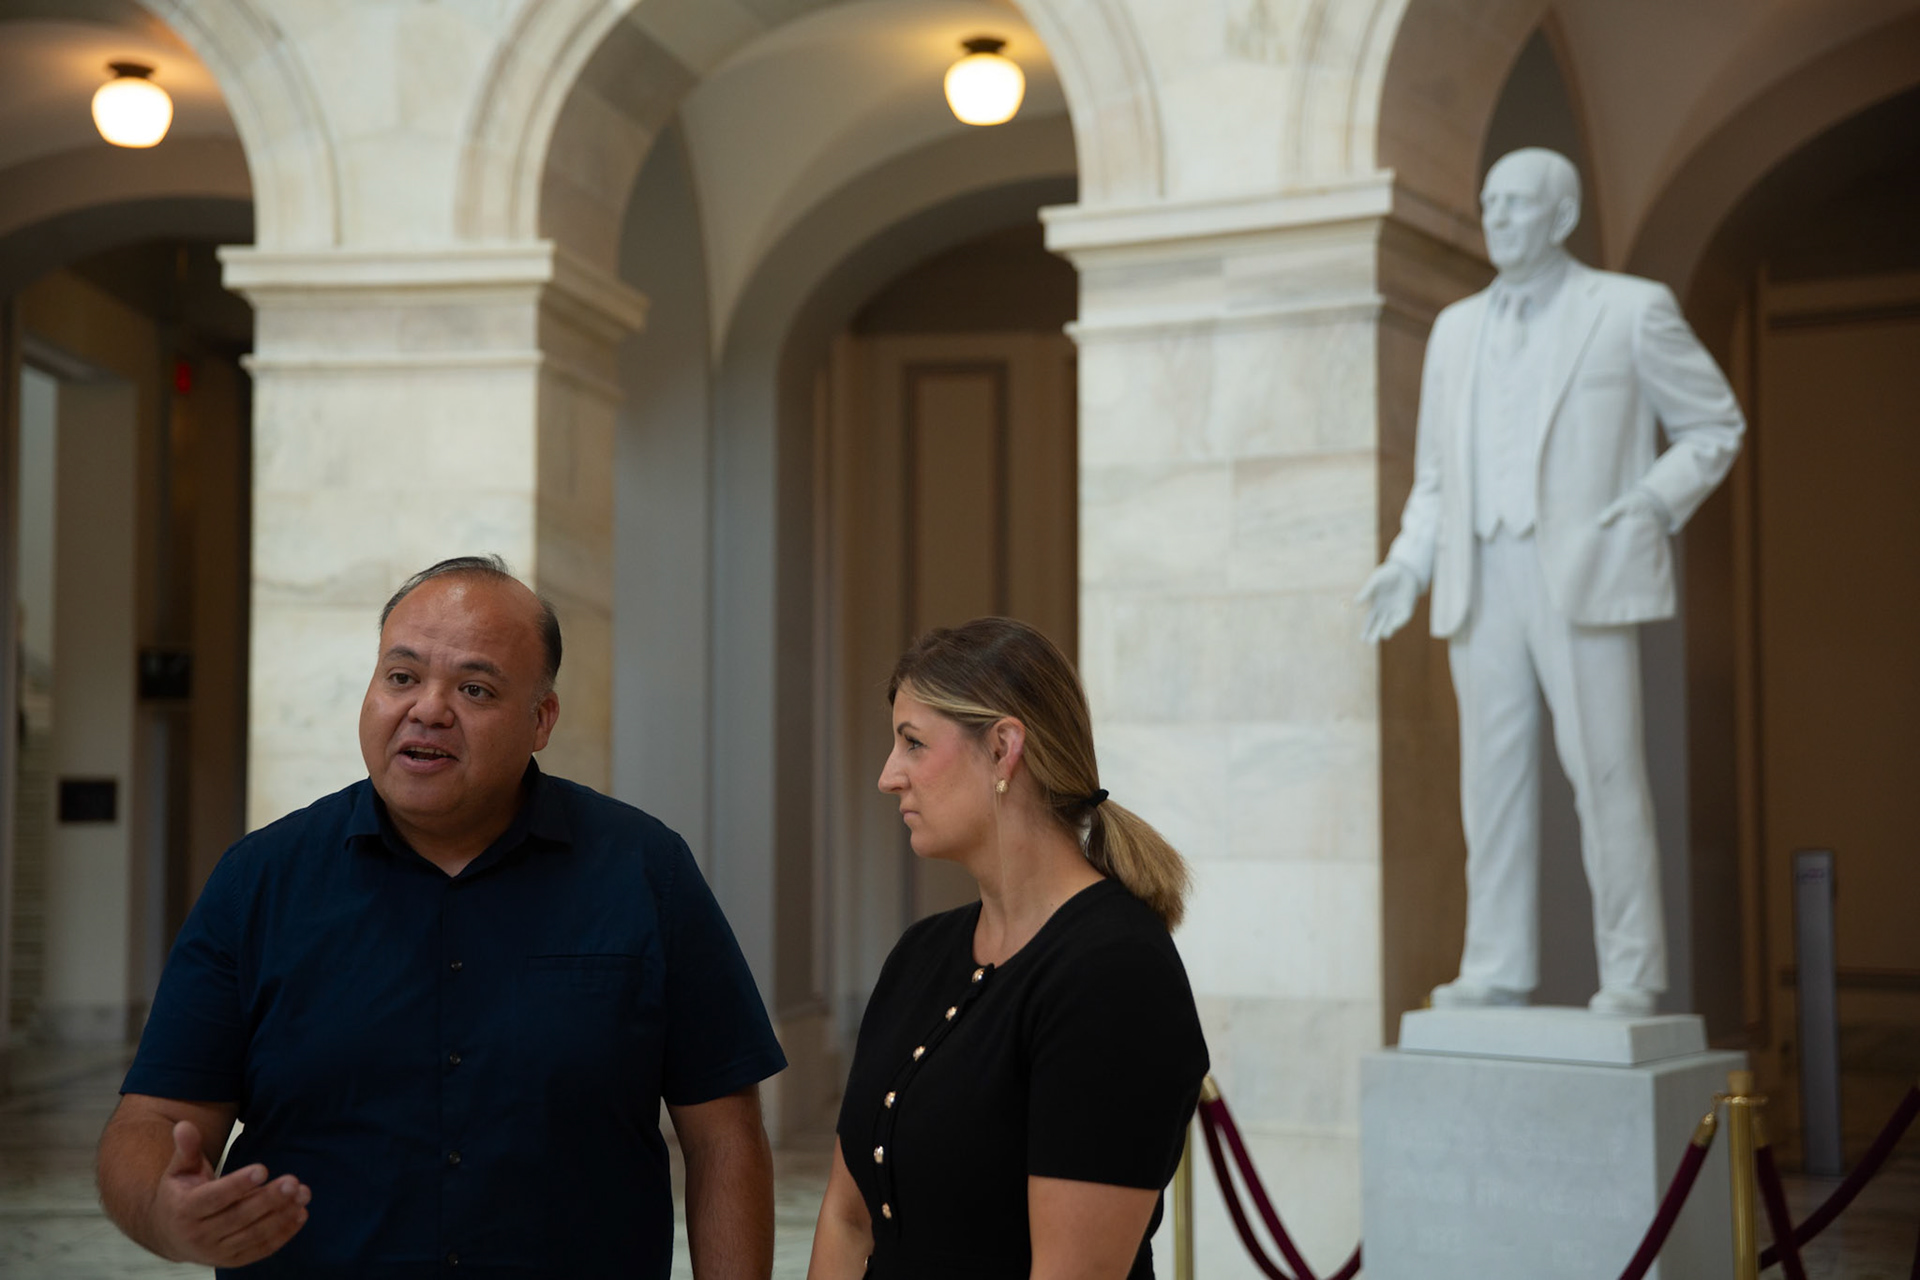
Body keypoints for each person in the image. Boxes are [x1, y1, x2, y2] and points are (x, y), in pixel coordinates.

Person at [97, 555, 787, 1278]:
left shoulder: (644, 870)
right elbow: (150, 1121)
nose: (427, 708)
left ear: (541, 719)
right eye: (401, 677)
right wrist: (168, 1214)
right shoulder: (260, 881)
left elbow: (724, 1136)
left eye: (474, 687)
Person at [1356, 148, 1745, 1017]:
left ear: (1561, 216)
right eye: (1489, 200)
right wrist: (1407, 563)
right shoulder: (1455, 329)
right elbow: (1435, 478)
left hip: (1586, 570)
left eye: (1517, 203)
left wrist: (1648, 503)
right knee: (1489, 783)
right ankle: (1495, 964)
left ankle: (1635, 971)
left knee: (1607, 774)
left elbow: (1714, 425)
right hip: (1479, 576)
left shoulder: (1630, 310)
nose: (1496, 217)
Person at [807, 617, 1209, 1280]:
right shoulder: (922, 953)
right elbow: (848, 1221)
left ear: (1002, 750)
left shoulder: (1116, 974)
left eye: (912, 744)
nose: (888, 776)